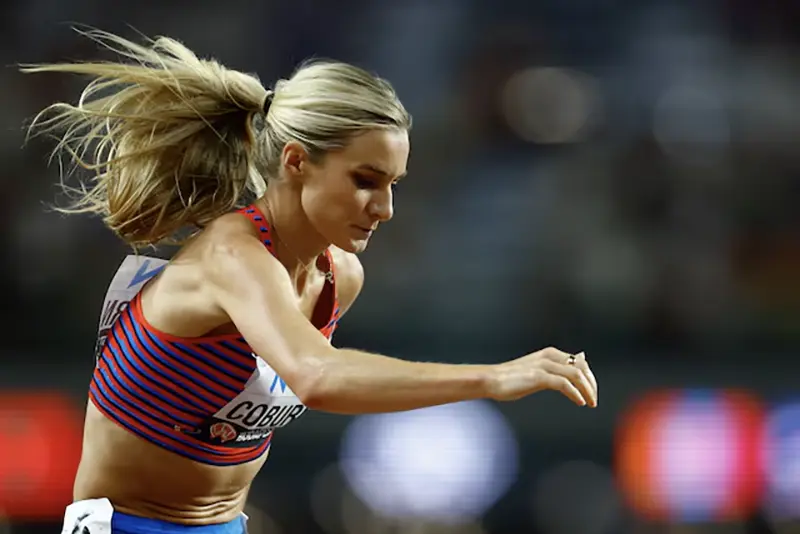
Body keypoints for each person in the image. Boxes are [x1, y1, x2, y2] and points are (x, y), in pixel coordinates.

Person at [22, 28, 598, 534]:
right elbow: (316, 377)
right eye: (366, 180)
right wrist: (494, 378)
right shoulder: (232, 255)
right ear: (296, 162)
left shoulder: (340, 276)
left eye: (394, 183)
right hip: (126, 526)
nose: (385, 208)